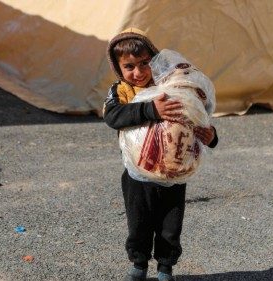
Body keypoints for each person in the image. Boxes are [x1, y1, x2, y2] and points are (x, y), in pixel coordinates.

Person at [103, 28, 218, 281]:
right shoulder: (120, 91)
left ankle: (166, 268)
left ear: (154, 60)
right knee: (139, 224)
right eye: (129, 66)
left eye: (145, 63)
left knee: (170, 227)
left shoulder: (170, 85)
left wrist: (211, 136)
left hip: (173, 173)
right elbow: (112, 116)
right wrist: (150, 109)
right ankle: (139, 265)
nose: (139, 72)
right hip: (138, 177)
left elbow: (193, 115)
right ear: (118, 69)